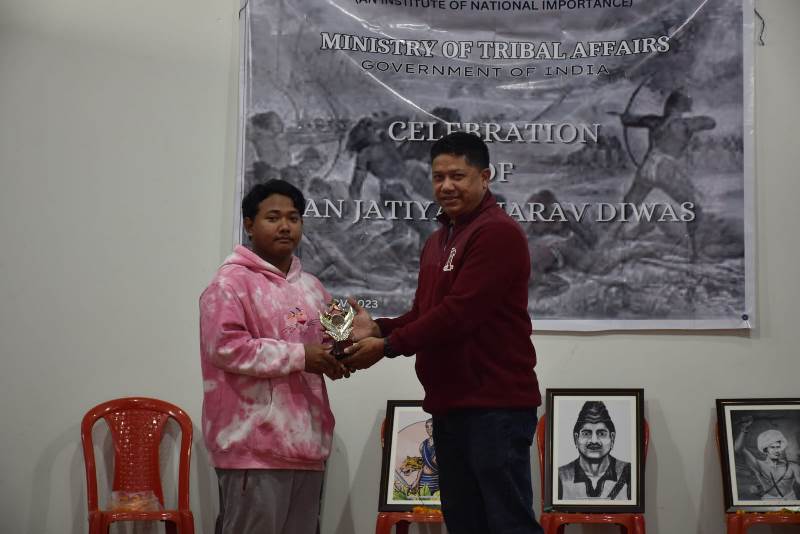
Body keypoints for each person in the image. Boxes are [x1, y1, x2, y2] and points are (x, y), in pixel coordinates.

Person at [341, 132, 544, 534]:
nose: (446, 186)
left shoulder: (496, 233)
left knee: (508, 525)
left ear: (484, 177)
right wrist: (379, 327)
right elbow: (425, 313)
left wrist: (387, 346)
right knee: (465, 523)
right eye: (438, 177)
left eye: (458, 176)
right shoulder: (438, 239)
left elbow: (458, 315)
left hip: (494, 407)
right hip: (450, 405)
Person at [199, 179, 348, 534]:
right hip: (252, 447)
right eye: (273, 217)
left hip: (307, 446)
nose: (285, 226)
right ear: (249, 225)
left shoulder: (312, 287)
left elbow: (332, 339)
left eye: (293, 218)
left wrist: (350, 337)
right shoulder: (229, 284)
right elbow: (227, 348)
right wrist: (302, 356)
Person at [616, 89, 716, 260]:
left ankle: (611, 238)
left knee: (629, 205)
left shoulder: (653, 120)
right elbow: (711, 122)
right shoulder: (686, 124)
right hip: (665, 168)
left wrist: (625, 117)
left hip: (647, 167)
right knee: (694, 207)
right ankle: (696, 254)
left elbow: (627, 121)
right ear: (681, 106)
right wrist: (691, 120)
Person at [557, 401, 631, 500]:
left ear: (612, 438)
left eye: (601, 433)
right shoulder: (561, 476)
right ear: (576, 439)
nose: (594, 441)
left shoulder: (628, 473)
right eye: (586, 433)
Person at [734, 418, 800, 500]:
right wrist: (744, 430)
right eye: (773, 447)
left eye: (778, 447)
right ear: (765, 450)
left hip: (790, 499)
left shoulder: (793, 466)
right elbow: (738, 449)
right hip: (768, 500)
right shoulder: (759, 465)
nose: (777, 450)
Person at [412, 419, 439, 495]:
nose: (429, 429)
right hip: (423, 480)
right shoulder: (422, 445)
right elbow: (423, 464)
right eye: (427, 427)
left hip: (436, 480)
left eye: (432, 426)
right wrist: (417, 480)